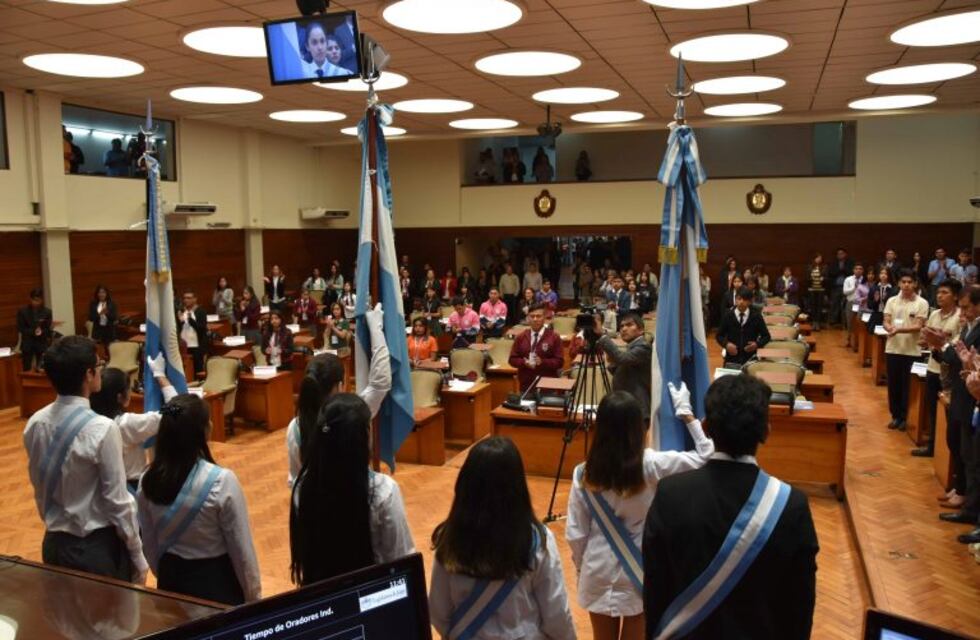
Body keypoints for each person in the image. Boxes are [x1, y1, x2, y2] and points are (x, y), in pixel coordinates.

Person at [643, 374, 819, 640]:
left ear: (705, 427)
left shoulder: (671, 493)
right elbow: (799, 607)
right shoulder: (792, 506)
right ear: (766, 432)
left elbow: (656, 588)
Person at [567, 389, 713, 640]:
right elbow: (706, 457)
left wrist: (583, 570)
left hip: (596, 566)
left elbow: (575, 533)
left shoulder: (583, 473)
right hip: (641, 567)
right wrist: (686, 414)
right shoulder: (652, 464)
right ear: (637, 427)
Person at [23, 336, 147, 582]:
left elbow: (39, 487)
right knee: (110, 620)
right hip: (95, 550)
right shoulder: (102, 428)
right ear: (89, 374)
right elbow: (117, 501)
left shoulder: (35, 423)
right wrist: (137, 554)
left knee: (65, 618)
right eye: (99, 365)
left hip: (53, 542)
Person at [429, 436, 575, 640]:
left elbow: (438, 612)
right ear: (518, 488)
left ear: (465, 485)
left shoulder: (450, 537)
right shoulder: (537, 541)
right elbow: (556, 615)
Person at [138, 394, 261, 604]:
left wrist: (167, 573)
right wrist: (254, 598)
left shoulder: (146, 480)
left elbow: (148, 543)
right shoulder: (222, 481)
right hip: (216, 586)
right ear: (203, 431)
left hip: (170, 583)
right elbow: (242, 553)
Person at [290, 394, 414, 585]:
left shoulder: (303, 488)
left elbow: (304, 551)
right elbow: (401, 559)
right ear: (363, 438)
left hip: (318, 596)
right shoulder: (383, 491)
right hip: (371, 597)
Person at [286, 305, 390, 487]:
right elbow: (380, 382)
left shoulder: (295, 426)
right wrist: (376, 328)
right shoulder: (351, 412)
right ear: (339, 386)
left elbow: (296, 478)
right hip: (351, 497)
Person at [924, 285, 980, 545]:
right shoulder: (970, 327)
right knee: (965, 452)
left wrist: (946, 347)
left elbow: (965, 360)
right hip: (963, 393)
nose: (964, 312)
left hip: (972, 399)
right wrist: (944, 349)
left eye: (968, 307)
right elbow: (962, 359)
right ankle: (967, 502)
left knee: (973, 458)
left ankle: (971, 510)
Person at [90, 357, 176, 493]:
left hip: (100, 487)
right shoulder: (127, 424)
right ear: (119, 397)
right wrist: (160, 375)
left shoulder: (89, 420)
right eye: (128, 389)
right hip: (129, 488)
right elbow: (175, 410)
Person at [912, 279, 961, 458]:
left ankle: (948, 454)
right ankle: (932, 447)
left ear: (956, 296)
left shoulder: (960, 317)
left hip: (950, 373)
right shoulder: (934, 314)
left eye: (945, 292)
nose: (939, 296)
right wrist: (926, 340)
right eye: (938, 292)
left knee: (950, 415)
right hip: (933, 368)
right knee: (932, 410)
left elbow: (957, 346)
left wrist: (939, 342)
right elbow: (926, 338)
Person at [882, 269, 929, 431]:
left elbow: (918, 326)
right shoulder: (892, 301)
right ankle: (895, 416)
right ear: (899, 284)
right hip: (893, 349)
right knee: (893, 385)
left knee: (907, 387)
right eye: (903, 282)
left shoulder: (922, 303)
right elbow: (886, 320)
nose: (906, 285)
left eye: (910, 282)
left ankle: (905, 417)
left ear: (915, 284)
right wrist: (888, 327)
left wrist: (897, 330)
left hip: (912, 351)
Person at [596, 312, 653, 424]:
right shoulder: (631, 347)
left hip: (637, 408)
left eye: (629, 325)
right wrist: (613, 359)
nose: (624, 329)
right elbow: (622, 369)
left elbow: (622, 359)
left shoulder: (644, 346)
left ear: (641, 330)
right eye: (621, 326)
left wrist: (602, 335)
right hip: (626, 406)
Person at [509, 304, 562, 391]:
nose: (535, 319)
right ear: (528, 318)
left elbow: (559, 362)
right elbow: (512, 359)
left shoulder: (554, 337)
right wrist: (524, 362)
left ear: (544, 318)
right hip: (526, 385)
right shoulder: (521, 337)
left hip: (547, 385)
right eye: (532, 316)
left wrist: (542, 362)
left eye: (538, 316)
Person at [716, 287, 771, 368]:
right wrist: (726, 344)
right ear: (735, 299)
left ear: (750, 301)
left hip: (750, 360)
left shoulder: (756, 316)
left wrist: (757, 344)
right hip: (731, 359)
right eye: (739, 299)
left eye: (745, 299)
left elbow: (766, 336)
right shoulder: (728, 315)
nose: (741, 302)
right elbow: (719, 336)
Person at [18, 288, 53, 372]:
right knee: (26, 368)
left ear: (42, 300)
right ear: (30, 299)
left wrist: (42, 331)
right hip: (28, 343)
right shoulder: (22, 311)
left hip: (41, 343)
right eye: (34, 300)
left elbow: (47, 329)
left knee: (41, 369)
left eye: (39, 300)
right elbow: (21, 328)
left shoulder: (47, 311)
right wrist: (34, 331)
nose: (36, 302)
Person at [177, 291, 209, 376]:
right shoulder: (182, 311)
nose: (186, 300)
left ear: (195, 299)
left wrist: (190, 319)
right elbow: (180, 329)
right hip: (185, 346)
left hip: (197, 346)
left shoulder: (201, 311)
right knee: (187, 370)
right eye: (184, 298)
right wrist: (180, 321)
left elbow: (202, 329)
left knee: (198, 371)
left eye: (189, 298)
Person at [827, 247, 854, 327]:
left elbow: (850, 272)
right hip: (836, 287)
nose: (840, 255)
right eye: (838, 254)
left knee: (846, 305)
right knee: (834, 304)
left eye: (842, 253)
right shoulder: (834, 263)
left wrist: (843, 270)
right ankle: (833, 321)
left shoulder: (850, 262)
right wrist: (840, 270)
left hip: (847, 288)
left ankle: (845, 323)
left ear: (845, 254)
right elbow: (831, 273)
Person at [842, 264, 865, 348]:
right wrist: (854, 287)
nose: (858, 270)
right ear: (853, 270)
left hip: (861, 304)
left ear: (862, 271)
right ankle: (849, 339)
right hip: (851, 302)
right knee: (850, 321)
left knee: (859, 322)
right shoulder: (848, 279)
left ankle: (858, 341)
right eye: (856, 269)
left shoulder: (864, 280)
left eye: (860, 269)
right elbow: (845, 292)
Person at [867, 268, 895, 334]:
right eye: (881, 273)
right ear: (879, 275)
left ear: (889, 275)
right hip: (876, 315)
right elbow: (869, 305)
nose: (883, 275)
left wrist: (886, 300)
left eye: (885, 273)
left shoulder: (893, 289)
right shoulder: (874, 288)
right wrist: (875, 301)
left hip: (889, 316)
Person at [806, 253, 828, 331]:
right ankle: (813, 322)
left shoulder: (824, 267)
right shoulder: (809, 267)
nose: (819, 259)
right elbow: (807, 278)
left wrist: (823, 278)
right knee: (813, 306)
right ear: (814, 259)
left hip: (820, 290)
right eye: (818, 258)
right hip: (812, 289)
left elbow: (827, 278)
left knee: (819, 306)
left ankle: (818, 322)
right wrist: (810, 277)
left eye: (820, 258)